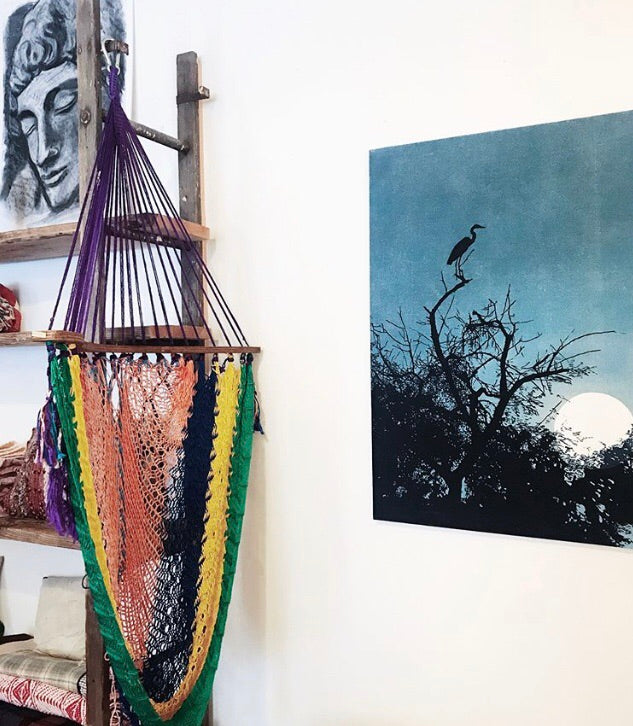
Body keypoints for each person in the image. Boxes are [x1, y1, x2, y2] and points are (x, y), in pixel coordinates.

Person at [1, 0, 124, 224]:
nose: (42, 153)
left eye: (63, 106)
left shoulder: (125, 189)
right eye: (29, 126)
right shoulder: (19, 208)